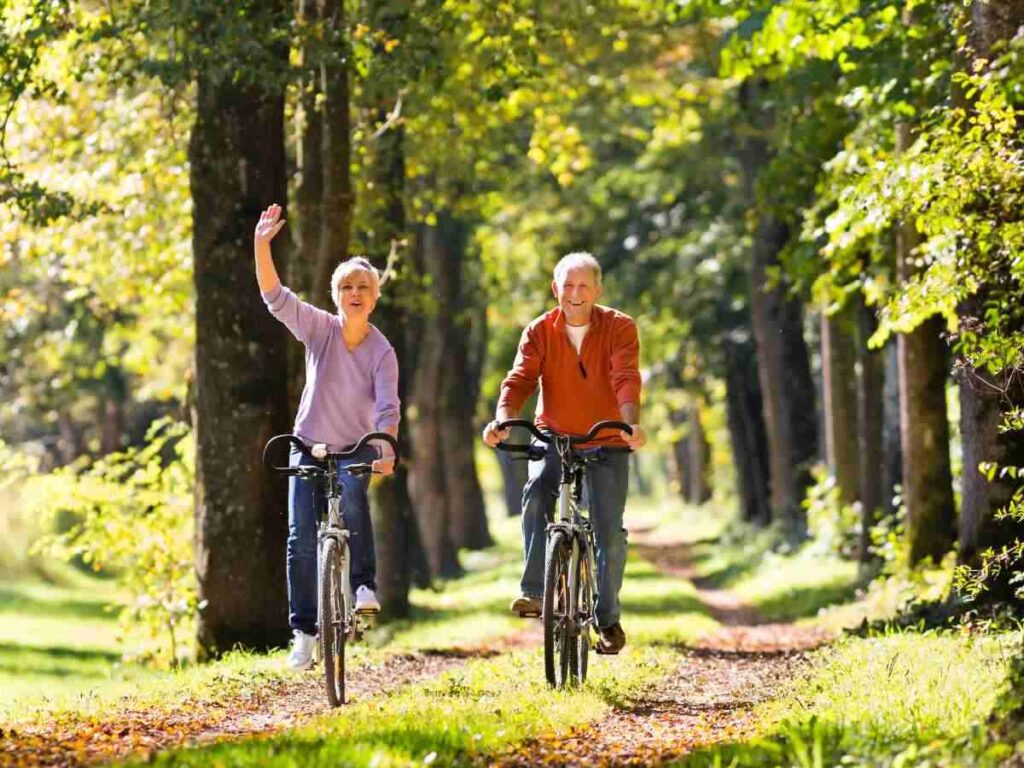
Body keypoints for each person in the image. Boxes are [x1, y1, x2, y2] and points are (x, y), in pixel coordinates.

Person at [253, 203, 399, 670]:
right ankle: (304, 631)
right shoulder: (319, 328)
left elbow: (387, 407)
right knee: (300, 537)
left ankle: (363, 586)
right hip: (310, 444)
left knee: (354, 502)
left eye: (363, 287)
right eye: (346, 287)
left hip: (355, 448)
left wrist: (386, 447)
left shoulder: (382, 350)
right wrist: (261, 245)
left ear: (374, 297)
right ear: (335, 296)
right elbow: (275, 297)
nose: (354, 293)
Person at [482, 252, 646, 654]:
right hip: (552, 433)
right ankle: (535, 590)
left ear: (597, 290)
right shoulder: (539, 330)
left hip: (607, 436)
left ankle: (607, 619)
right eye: (567, 286)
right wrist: (504, 418)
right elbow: (519, 380)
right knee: (537, 492)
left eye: (583, 286)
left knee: (610, 531)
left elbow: (625, 376)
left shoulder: (620, 327)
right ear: (555, 289)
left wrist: (630, 424)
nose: (575, 294)